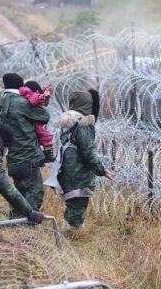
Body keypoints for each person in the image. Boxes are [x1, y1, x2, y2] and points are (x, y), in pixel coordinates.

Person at [53, 90, 114, 229]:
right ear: (87, 105)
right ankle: (72, 235)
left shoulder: (66, 123)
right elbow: (88, 152)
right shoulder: (83, 125)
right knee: (77, 207)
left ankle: (68, 230)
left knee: (72, 204)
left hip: (66, 170)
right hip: (79, 173)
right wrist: (102, 170)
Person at [0, 73, 50, 217]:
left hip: (14, 156)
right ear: (21, 86)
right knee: (35, 193)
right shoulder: (21, 102)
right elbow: (44, 116)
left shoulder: (4, 100)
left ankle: (14, 221)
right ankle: (28, 225)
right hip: (28, 156)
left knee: (18, 191)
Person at [19, 81, 55, 162]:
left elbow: (43, 102)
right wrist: (40, 97)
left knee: (43, 136)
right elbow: (33, 99)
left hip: (34, 121)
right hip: (35, 122)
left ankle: (47, 154)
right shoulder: (30, 95)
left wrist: (46, 95)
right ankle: (48, 155)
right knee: (45, 136)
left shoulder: (25, 96)